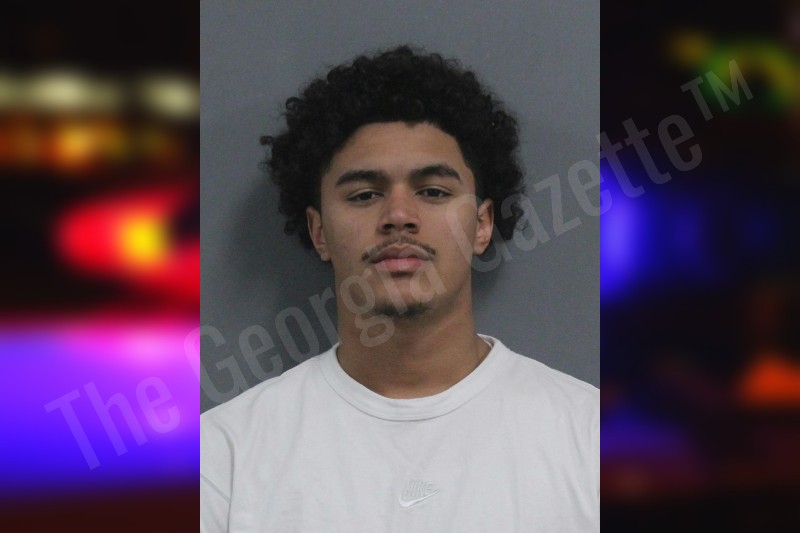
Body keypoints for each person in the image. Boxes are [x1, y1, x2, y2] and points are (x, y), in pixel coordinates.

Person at [201, 45, 598, 532]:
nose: (399, 216)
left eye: (433, 192)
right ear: (319, 231)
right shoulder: (223, 459)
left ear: (481, 224)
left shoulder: (592, 440)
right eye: (365, 195)